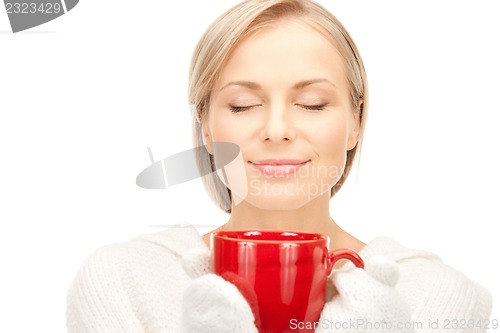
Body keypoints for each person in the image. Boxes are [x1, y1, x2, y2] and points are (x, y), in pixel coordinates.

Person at [66, 0, 492, 332]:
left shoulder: (428, 292)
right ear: (207, 128)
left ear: (355, 123)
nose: (276, 129)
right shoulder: (127, 281)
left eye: (311, 104)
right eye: (243, 105)